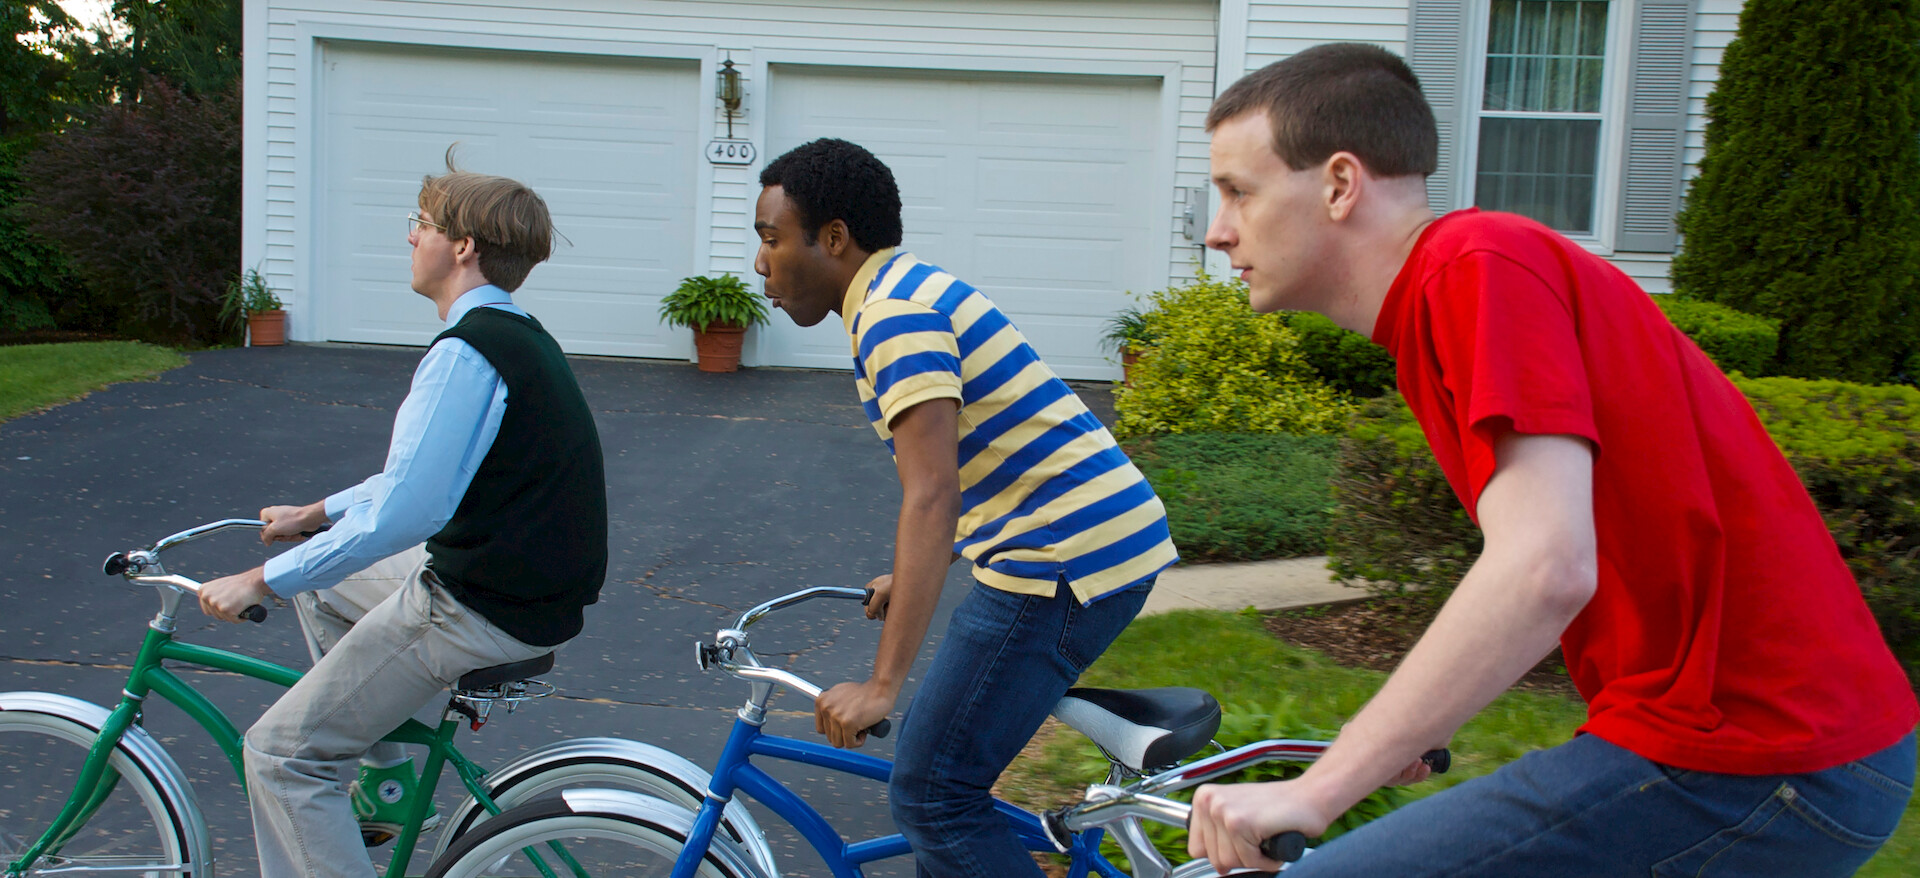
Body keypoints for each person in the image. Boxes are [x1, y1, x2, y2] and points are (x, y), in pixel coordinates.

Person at [1183, 42, 1919, 877]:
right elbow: (1556, 562)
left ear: (1340, 184)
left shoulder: (1476, 269)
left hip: (1759, 753)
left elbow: (1544, 570)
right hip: (1784, 749)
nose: (1218, 231)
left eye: (1239, 191)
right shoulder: (1453, 293)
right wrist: (1415, 721)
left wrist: (1321, 788)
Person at [752, 137, 1179, 876]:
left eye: (771, 238)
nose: (761, 263)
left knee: (932, 795)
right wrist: (918, 570)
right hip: (1089, 541)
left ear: (834, 237)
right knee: (941, 800)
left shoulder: (892, 317)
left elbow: (932, 494)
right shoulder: (911, 290)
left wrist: (882, 685)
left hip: (1061, 562)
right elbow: (994, 450)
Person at [198, 161, 609, 878]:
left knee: (281, 756)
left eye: (422, 225)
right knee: (328, 584)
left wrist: (262, 579)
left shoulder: (465, 354)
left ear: (463, 247)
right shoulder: (515, 335)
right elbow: (413, 481)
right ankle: (387, 781)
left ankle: (341, 779)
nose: (411, 238)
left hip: (477, 604)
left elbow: (406, 513)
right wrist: (316, 514)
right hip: (520, 589)